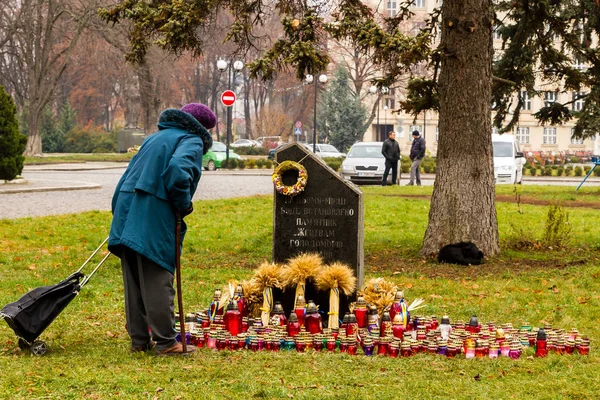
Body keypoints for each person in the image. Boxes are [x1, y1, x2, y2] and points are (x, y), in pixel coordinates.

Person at [108, 103, 215, 356]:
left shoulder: (154, 138)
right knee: (158, 275)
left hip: (127, 211)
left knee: (134, 278)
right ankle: (166, 343)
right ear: (202, 128)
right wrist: (183, 204)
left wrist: (122, 214)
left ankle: (139, 341)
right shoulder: (192, 139)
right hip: (152, 213)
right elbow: (179, 172)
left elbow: (125, 179)